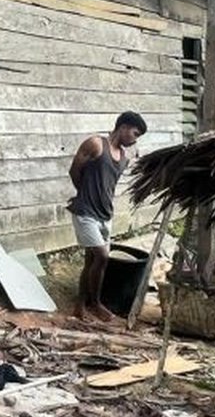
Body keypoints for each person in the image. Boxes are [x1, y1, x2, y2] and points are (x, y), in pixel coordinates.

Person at [66, 111, 146, 322]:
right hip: (85, 212)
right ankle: (95, 303)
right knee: (102, 256)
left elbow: (107, 185)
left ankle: (80, 306)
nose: (135, 140)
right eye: (135, 133)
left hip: (105, 214)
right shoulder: (95, 144)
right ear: (123, 127)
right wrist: (83, 195)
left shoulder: (124, 158)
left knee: (91, 261)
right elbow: (74, 171)